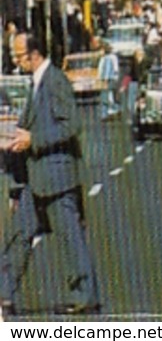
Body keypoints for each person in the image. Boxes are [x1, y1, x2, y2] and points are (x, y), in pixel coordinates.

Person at [0, 33, 101, 315]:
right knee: (19, 234)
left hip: (57, 177)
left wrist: (35, 139)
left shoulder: (55, 80)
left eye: (19, 56)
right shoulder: (36, 83)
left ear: (34, 54)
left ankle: (85, 296)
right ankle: (3, 293)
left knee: (70, 237)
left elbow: (72, 125)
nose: (17, 61)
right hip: (37, 177)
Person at [97, 47, 121, 120]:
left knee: (106, 96)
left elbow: (107, 70)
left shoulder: (108, 58)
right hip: (108, 79)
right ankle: (112, 111)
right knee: (109, 96)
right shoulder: (106, 58)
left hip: (108, 80)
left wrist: (106, 80)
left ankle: (108, 113)